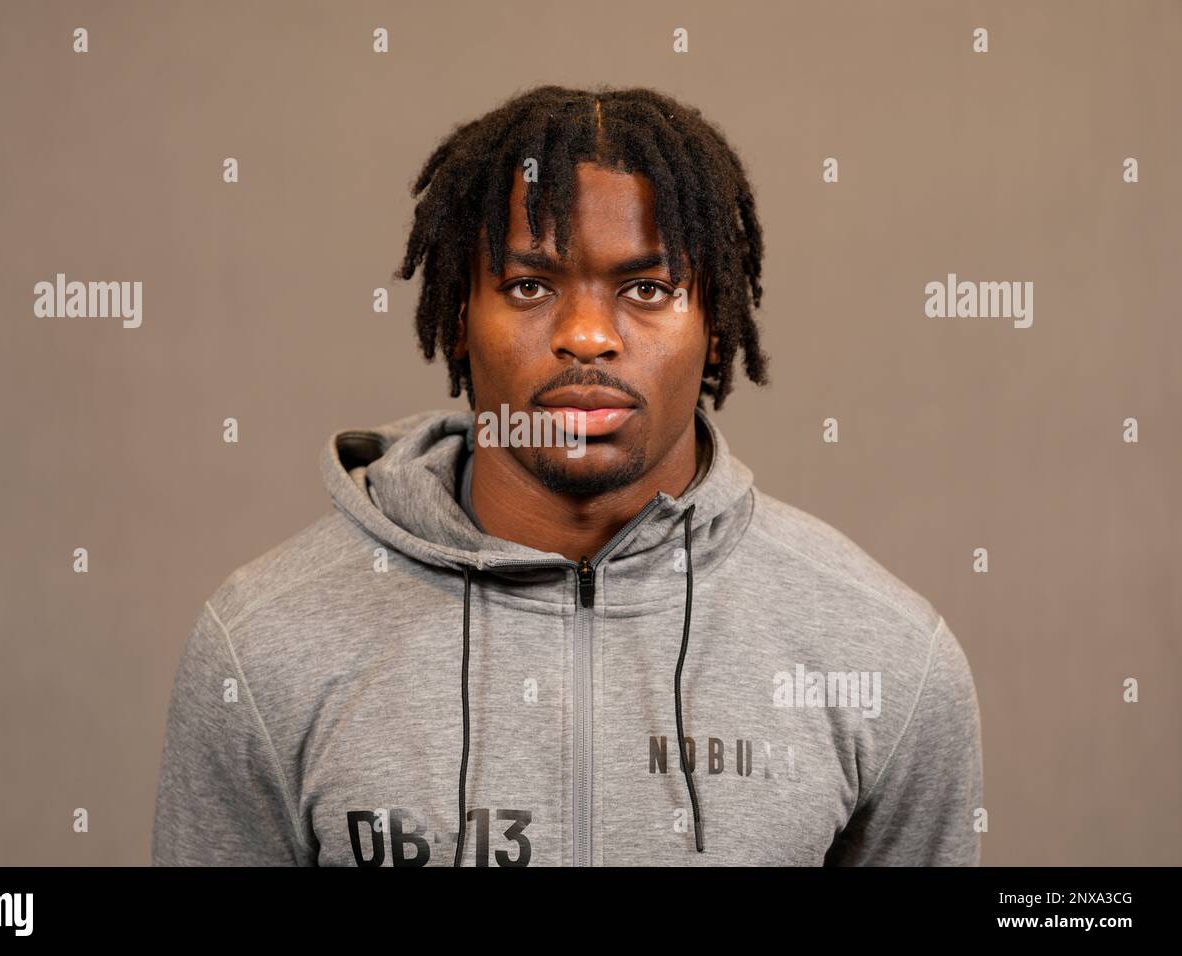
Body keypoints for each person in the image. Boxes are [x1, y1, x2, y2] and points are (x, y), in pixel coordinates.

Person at [152, 84, 983, 867]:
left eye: (648, 288)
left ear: (718, 330)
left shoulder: (884, 656)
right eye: (528, 285)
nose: (587, 335)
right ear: (456, 322)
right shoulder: (265, 645)